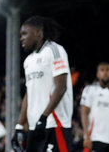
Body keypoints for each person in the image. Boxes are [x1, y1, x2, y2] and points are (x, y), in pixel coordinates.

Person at [12, 16, 73, 152]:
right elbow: (30, 93)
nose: (21, 38)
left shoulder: (54, 50)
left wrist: (44, 117)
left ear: (38, 33)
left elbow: (61, 86)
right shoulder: (28, 61)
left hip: (54, 123)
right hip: (35, 126)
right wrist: (19, 127)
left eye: (24, 34)